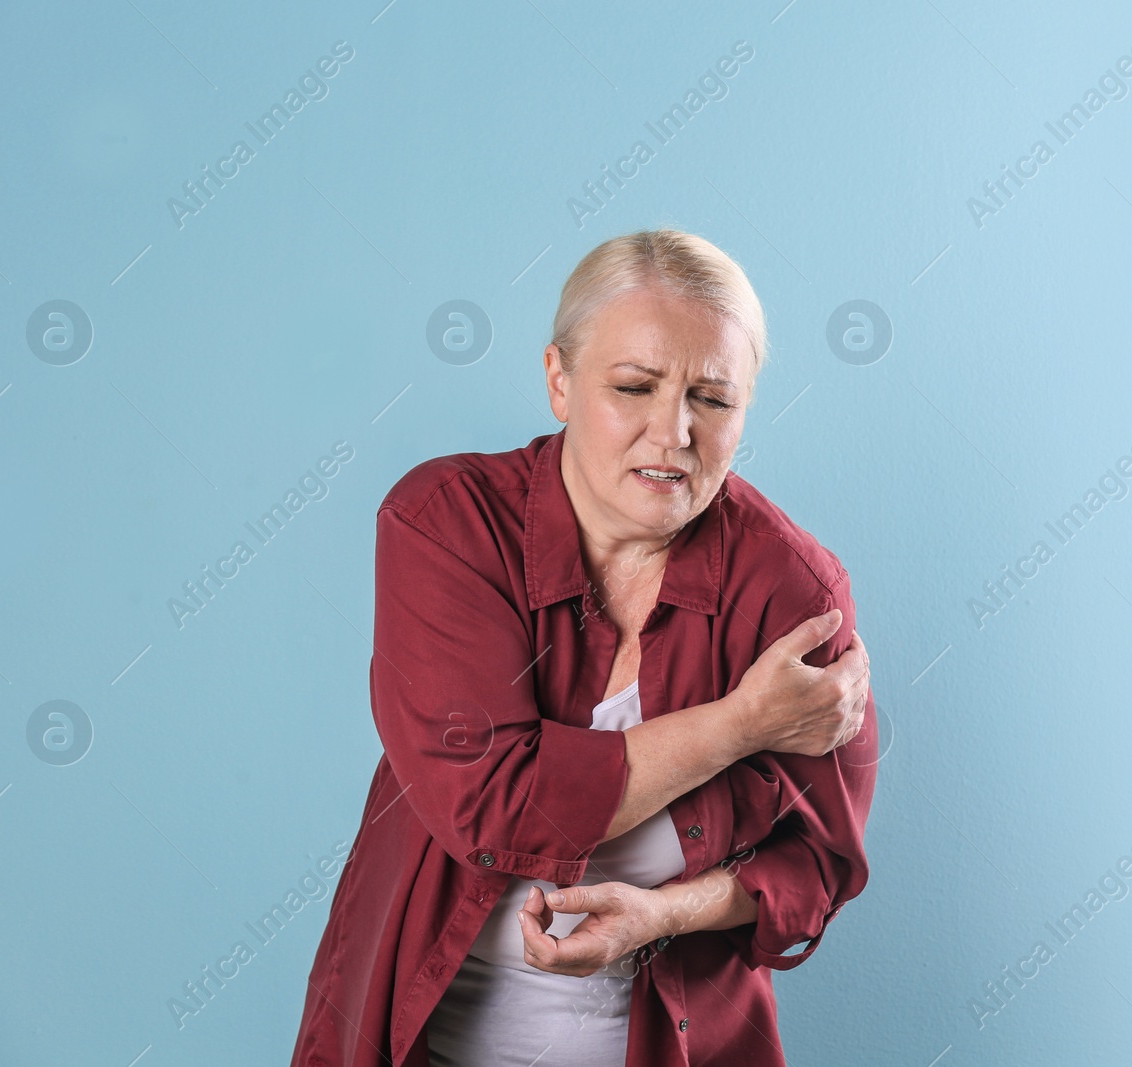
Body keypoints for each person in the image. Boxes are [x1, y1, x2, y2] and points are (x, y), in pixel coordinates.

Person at [289, 229, 879, 1067]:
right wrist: (745, 723)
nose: (672, 431)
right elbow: (495, 805)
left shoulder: (794, 595)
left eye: (712, 399)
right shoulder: (447, 525)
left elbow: (818, 867)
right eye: (634, 386)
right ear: (559, 380)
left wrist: (666, 915)